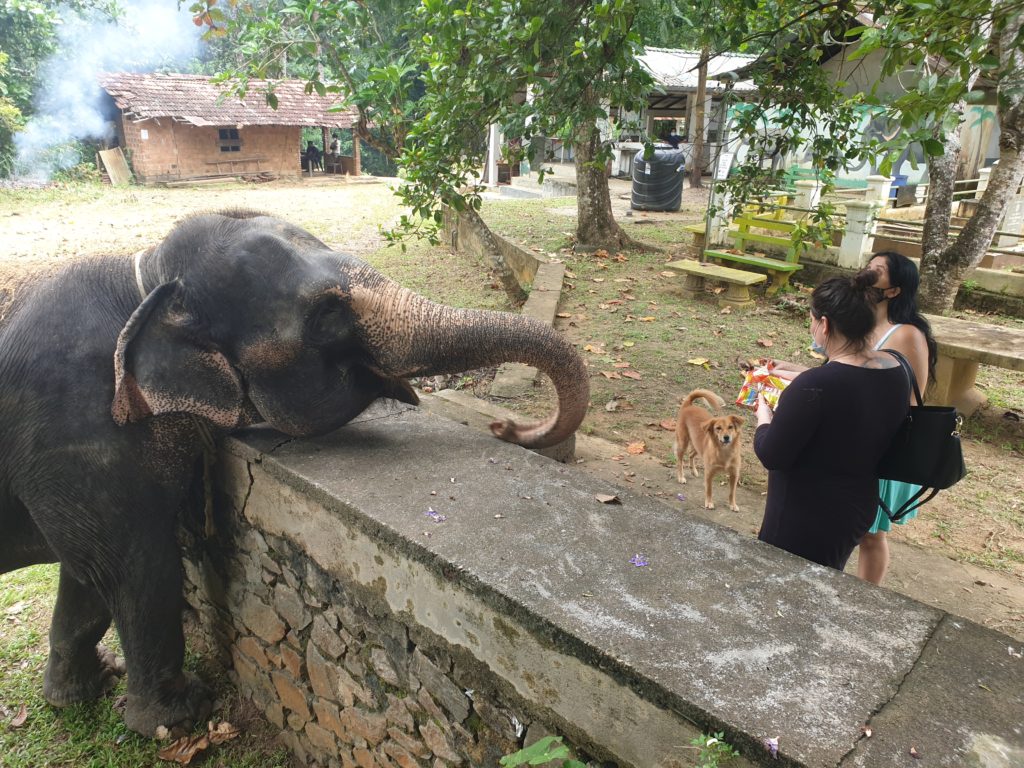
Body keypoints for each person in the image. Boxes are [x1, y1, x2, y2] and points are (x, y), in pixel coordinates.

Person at [753, 273, 909, 571]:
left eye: (812, 320)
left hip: (804, 514)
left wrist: (764, 417)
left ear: (824, 324)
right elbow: (850, 397)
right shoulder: (894, 368)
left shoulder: (816, 385)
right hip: (857, 505)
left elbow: (772, 454)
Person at [856, 251, 937, 585]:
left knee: (870, 533)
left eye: (877, 271)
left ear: (894, 290)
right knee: (850, 523)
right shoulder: (859, 327)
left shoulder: (906, 335)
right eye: (868, 266)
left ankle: (865, 596)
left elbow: (913, 400)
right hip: (854, 437)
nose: (866, 274)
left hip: (883, 443)